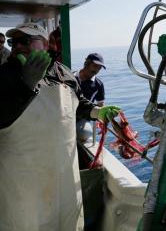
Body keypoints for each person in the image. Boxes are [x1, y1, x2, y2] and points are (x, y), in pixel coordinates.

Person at [0, 22, 120, 230]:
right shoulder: (4, 75)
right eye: (14, 42)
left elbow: (79, 102)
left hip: (64, 171)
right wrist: (26, 85)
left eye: (26, 41)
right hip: (22, 175)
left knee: (68, 219)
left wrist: (96, 112)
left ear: (45, 44)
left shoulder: (64, 73)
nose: (18, 46)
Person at [75, 53, 107, 141]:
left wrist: (102, 122)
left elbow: (100, 105)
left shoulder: (98, 85)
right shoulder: (71, 77)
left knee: (84, 133)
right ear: (87, 63)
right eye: (95, 65)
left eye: (99, 68)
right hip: (65, 115)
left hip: (81, 119)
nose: (97, 70)